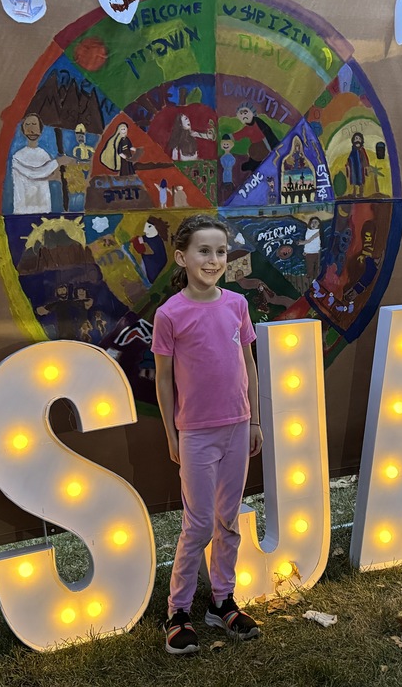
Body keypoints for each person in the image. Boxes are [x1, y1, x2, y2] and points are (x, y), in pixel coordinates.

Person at [152, 214, 264, 656]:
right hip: (195, 434)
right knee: (197, 524)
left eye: (220, 251)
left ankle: (223, 601)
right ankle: (178, 612)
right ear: (182, 257)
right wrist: (171, 433)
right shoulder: (169, 314)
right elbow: (163, 380)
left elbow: (249, 364)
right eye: (204, 250)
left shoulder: (237, 305)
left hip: (237, 428)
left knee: (228, 521)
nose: (214, 259)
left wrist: (254, 419)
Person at [10, 113, 75, 214]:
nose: (31, 129)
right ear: (22, 129)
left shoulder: (44, 155)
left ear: (40, 130)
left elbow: (49, 175)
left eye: (34, 124)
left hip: (44, 208)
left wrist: (65, 174)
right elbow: (34, 174)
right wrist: (58, 162)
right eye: (27, 124)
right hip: (24, 209)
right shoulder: (18, 157)